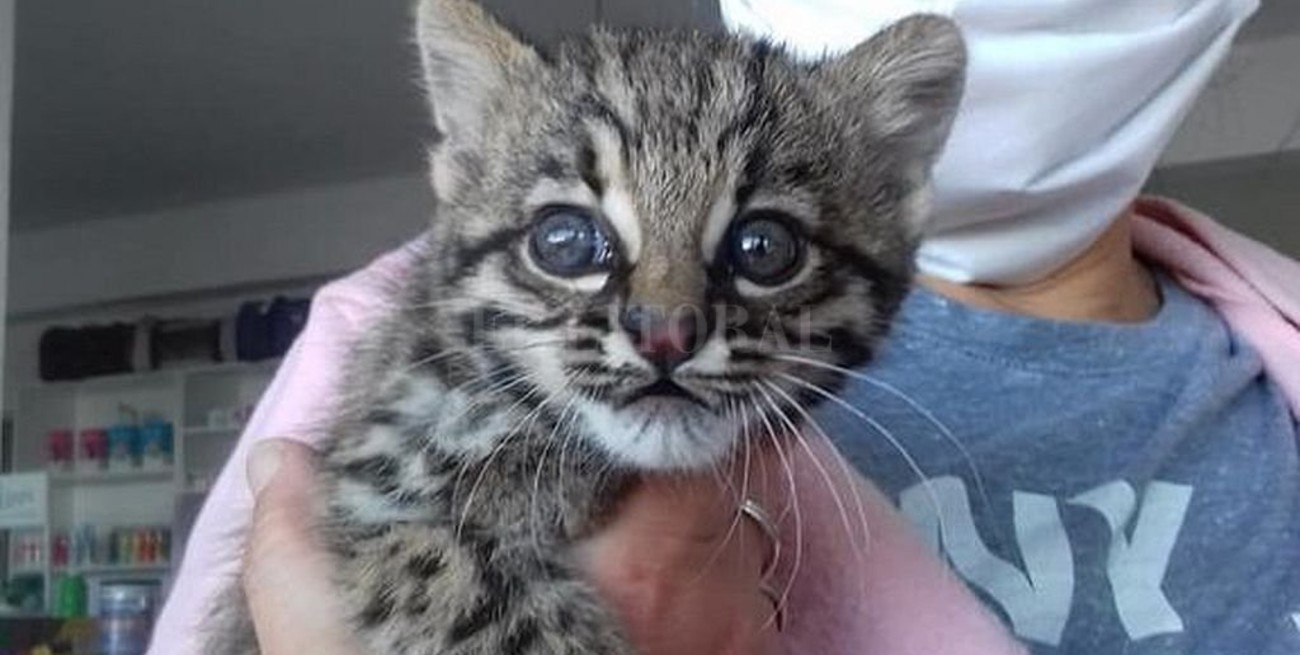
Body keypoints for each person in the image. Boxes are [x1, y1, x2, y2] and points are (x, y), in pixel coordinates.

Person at [150, 0, 1300, 653]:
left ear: (895, 188)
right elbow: (362, 550)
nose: (663, 319)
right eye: (568, 244)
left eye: (761, 249)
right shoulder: (375, 342)